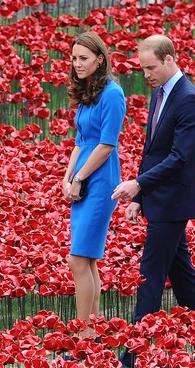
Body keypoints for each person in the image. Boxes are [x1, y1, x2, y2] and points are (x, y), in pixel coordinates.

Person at [112, 34, 195, 367]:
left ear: (170, 59)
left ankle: (129, 358)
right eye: (143, 69)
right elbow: (152, 151)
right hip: (158, 199)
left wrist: (137, 185)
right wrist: (141, 196)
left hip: (173, 202)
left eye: (151, 68)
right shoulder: (160, 93)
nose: (146, 75)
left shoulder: (189, 99)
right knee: (186, 282)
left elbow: (179, 157)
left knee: (149, 278)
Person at [63, 31, 126, 338]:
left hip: (100, 183)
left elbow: (106, 145)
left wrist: (79, 178)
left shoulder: (113, 94)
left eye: (84, 58)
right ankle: (94, 328)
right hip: (83, 178)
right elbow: (80, 141)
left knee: (77, 258)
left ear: (100, 59)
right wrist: (67, 175)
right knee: (87, 259)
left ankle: (83, 331)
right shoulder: (88, 93)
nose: (77, 63)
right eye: (74, 58)